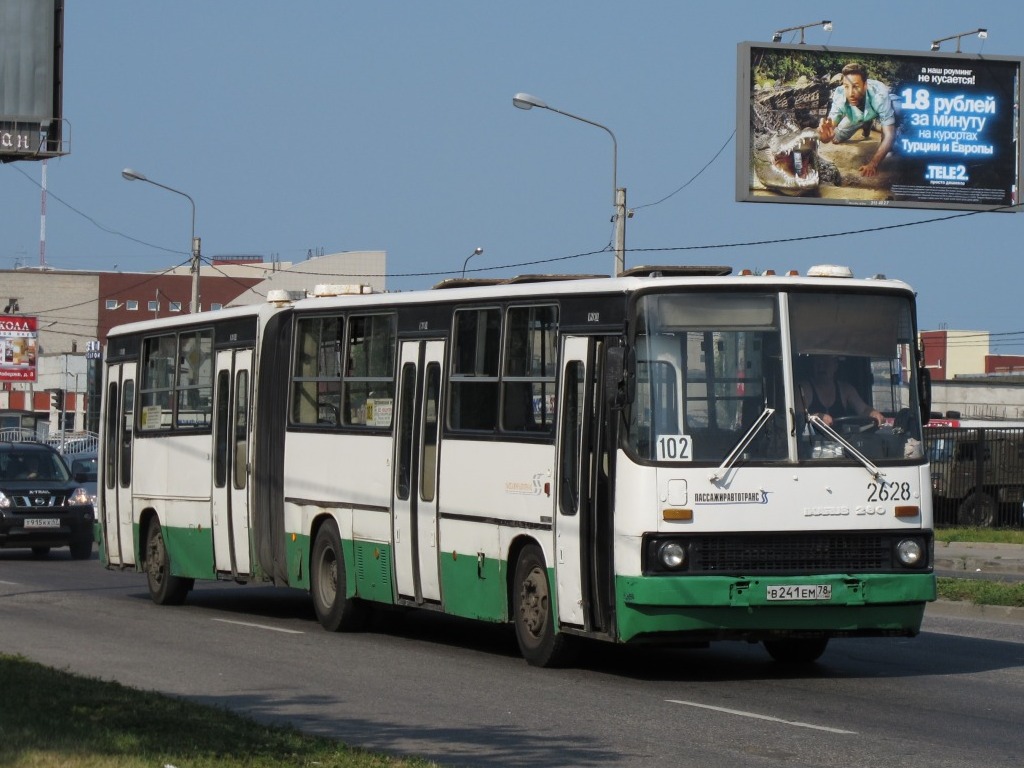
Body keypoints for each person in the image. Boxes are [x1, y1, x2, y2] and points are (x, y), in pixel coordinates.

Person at [817, 62, 896, 178]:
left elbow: (889, 136)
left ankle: (871, 122)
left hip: (878, 109)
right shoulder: (839, 94)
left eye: (855, 86)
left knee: (889, 140)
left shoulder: (879, 95)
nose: (850, 93)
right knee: (836, 138)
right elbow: (831, 126)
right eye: (846, 86)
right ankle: (866, 123)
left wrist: (873, 164)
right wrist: (824, 137)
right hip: (858, 115)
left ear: (865, 85)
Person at [799, 355, 884, 427]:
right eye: (817, 363)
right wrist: (816, 417)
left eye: (825, 362)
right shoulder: (804, 388)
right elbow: (798, 417)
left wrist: (873, 414)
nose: (821, 367)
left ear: (835, 365)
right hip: (812, 443)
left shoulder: (845, 389)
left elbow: (863, 410)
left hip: (842, 442)